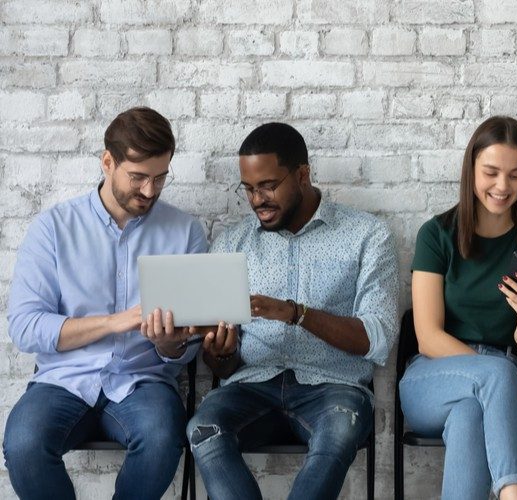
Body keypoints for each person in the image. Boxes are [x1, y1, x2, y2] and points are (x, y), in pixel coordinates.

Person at [185, 122, 399, 500]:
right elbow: (222, 368)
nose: (256, 200)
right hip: (250, 385)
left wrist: (296, 313)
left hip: (333, 387)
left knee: (339, 434)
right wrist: (221, 353)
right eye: (248, 189)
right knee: (203, 427)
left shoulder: (366, 235)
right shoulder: (233, 242)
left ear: (302, 175)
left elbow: (378, 338)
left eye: (268, 186)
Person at [3, 107, 207, 499]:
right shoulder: (54, 228)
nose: (150, 191)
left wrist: (170, 345)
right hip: (62, 380)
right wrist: (114, 322)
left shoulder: (185, 233)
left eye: (160, 178)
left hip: (142, 382)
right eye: (138, 177)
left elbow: (190, 342)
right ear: (107, 162)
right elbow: (26, 326)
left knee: (164, 438)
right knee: (24, 444)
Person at [398, 116, 517, 500]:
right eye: (491, 172)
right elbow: (428, 337)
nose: (503, 186)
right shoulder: (437, 235)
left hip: (506, 372)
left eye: (516, 175)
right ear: (471, 169)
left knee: (470, 415)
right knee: (493, 380)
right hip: (435, 373)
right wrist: (500, 375)